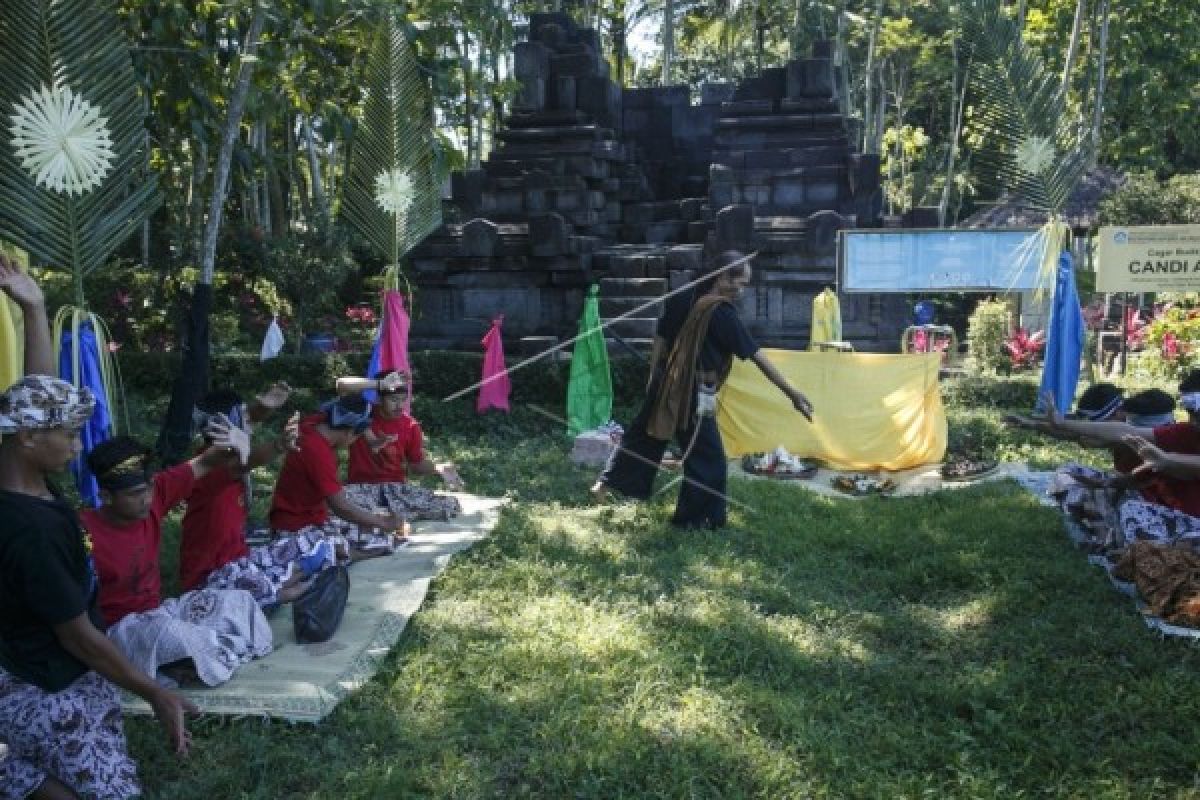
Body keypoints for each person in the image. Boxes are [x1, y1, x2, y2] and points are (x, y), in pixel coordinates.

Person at [0, 259, 194, 799]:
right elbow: (79, 638)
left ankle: (18, 771)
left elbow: (37, 395)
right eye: (69, 434)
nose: (80, 447)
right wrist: (156, 692)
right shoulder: (29, 527)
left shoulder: (26, 475)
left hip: (61, 669)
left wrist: (34, 308)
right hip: (42, 680)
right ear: (29, 440)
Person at [591, 250, 814, 529]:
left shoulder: (682, 296)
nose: (742, 291)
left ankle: (604, 485)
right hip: (692, 396)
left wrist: (653, 376)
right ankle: (695, 522)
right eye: (740, 283)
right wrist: (793, 394)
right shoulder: (720, 313)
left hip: (665, 383)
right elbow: (757, 357)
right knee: (709, 459)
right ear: (722, 277)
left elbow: (660, 338)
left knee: (644, 438)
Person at [81, 433, 274, 688]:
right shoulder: (81, 534)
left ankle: (195, 658)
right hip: (119, 632)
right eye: (135, 494)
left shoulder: (154, 497)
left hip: (159, 614)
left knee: (235, 599)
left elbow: (206, 462)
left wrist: (235, 442)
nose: (147, 499)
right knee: (177, 637)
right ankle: (196, 657)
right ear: (105, 497)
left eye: (149, 488)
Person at [177, 384, 298, 593]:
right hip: (209, 579)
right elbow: (244, 463)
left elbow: (248, 417)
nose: (250, 423)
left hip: (236, 562)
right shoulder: (209, 465)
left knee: (303, 561)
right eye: (244, 418)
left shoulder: (218, 452)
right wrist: (280, 445)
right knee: (286, 587)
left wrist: (266, 405)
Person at [267, 393, 410, 557]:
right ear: (350, 432)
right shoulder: (318, 452)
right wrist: (382, 522)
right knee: (367, 543)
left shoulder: (314, 424)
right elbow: (341, 507)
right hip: (294, 527)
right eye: (357, 437)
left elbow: (343, 404)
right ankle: (355, 554)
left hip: (313, 518)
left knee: (370, 530)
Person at [335, 370, 464, 522]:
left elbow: (416, 466)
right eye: (394, 399)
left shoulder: (411, 426)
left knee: (448, 505)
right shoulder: (363, 413)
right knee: (339, 507)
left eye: (403, 400)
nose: (400, 405)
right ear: (380, 398)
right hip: (361, 487)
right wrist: (380, 384)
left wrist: (438, 468)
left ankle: (383, 515)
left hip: (394, 489)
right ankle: (378, 516)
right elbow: (342, 385)